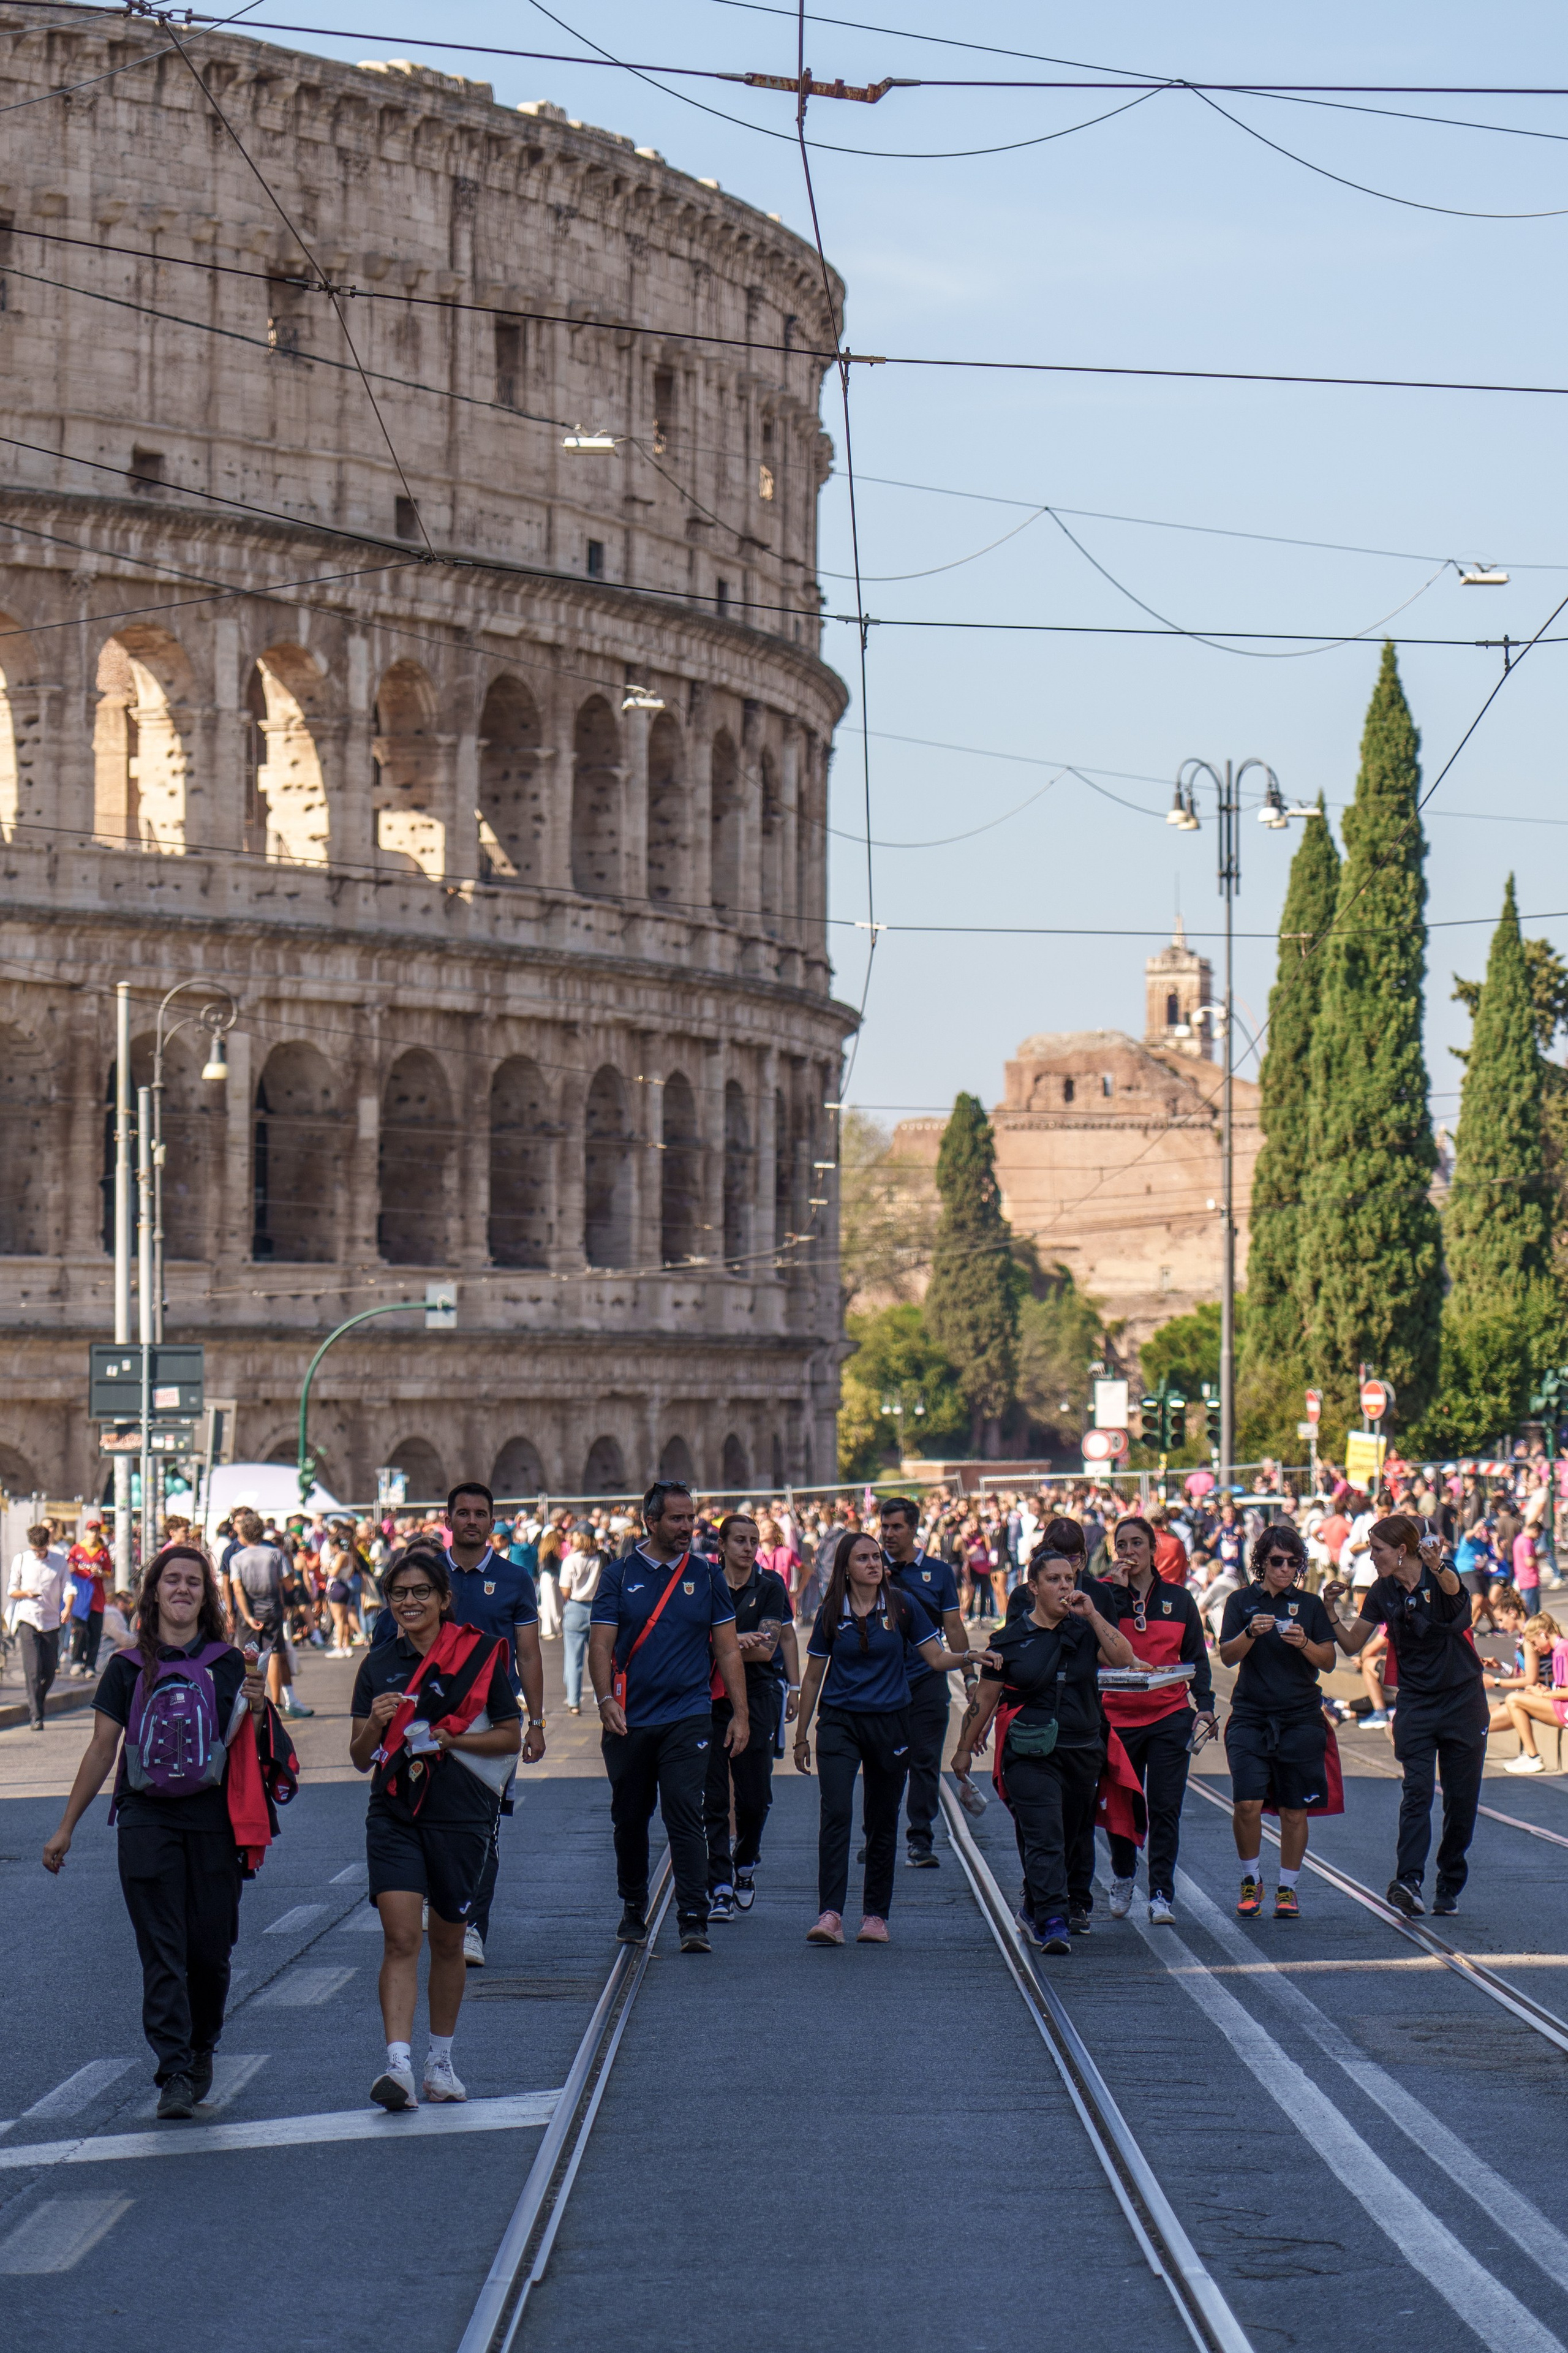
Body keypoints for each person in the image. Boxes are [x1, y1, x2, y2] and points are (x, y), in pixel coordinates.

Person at [42, 1544, 268, 2117]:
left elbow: (255, 1749)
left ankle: (201, 2045)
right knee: (163, 1950)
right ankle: (174, 2070)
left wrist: (261, 1708)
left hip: (214, 1820)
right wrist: (67, 1826)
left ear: (207, 1595)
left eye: (194, 1581)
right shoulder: (126, 1666)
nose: (183, 1588)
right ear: (154, 1592)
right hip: (145, 1818)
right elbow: (102, 1749)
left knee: (210, 1951)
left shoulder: (230, 1663)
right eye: (172, 1579)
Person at [350, 1544, 522, 2110]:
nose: (410, 1602)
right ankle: (397, 2065)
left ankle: (440, 2063)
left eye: (421, 1591)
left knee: (448, 1940)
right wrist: (375, 1725)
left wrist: (455, 1738)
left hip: (461, 1814)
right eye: (399, 1593)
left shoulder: (481, 1654)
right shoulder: (377, 1664)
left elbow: (509, 1735)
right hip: (395, 1811)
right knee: (402, 1937)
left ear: (444, 1598)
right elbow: (359, 1756)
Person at [372, 1481, 546, 1963]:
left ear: (492, 1521)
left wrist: (537, 1721)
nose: (471, 1520)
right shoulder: (425, 1575)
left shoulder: (515, 1579)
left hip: (491, 1720)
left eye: (480, 1513)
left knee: (484, 1826)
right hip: (425, 1718)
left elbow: (529, 1653)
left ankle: (471, 1924)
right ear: (448, 1520)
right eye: (463, 1513)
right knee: (421, 1814)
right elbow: (390, 1642)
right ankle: (436, 1900)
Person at [589, 1480, 750, 1954]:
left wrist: (740, 1713)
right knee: (630, 1817)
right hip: (629, 1718)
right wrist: (604, 1699)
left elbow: (727, 1648)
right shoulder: (618, 1575)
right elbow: (600, 1644)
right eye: (677, 1518)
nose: (687, 1526)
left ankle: (693, 1917)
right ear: (651, 1521)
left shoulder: (708, 1575)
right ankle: (633, 1904)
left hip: (689, 1713)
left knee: (684, 1808)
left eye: (690, 1517)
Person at [793, 1530, 975, 1946]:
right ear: (845, 1568)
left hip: (890, 1721)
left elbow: (935, 1657)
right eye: (863, 1558)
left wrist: (969, 1658)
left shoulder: (902, 1604)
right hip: (839, 1722)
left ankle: (875, 1916)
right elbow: (814, 1676)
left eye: (876, 1556)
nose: (874, 1563)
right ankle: (830, 1914)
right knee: (836, 1813)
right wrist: (801, 1735)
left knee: (881, 1819)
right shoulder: (830, 1611)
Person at [951, 1548, 1135, 1954]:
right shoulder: (1010, 1640)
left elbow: (1124, 1659)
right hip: (1030, 1753)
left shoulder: (1085, 1631)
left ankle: (1034, 1908)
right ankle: (1053, 1920)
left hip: (1082, 1751)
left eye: (1069, 1579)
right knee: (1045, 1835)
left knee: (1068, 1837)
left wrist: (1094, 1615)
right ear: (1033, 1587)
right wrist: (964, 1748)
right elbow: (985, 1697)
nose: (1064, 1586)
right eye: (1054, 1579)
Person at [1324, 1516, 1485, 1915]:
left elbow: (1455, 1591)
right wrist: (1329, 1610)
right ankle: (1409, 1881)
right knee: (1417, 1792)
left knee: (1461, 1801)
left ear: (1401, 1550)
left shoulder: (1440, 1574)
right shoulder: (1382, 1590)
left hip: (1462, 1700)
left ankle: (1449, 1882)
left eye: (1376, 1549)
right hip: (1416, 1702)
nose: (1371, 1556)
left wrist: (1438, 1565)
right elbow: (1352, 1644)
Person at [1100, 1516, 1218, 1925]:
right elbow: (1100, 1641)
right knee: (1123, 1806)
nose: (1129, 1551)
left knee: (1165, 1807)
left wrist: (1205, 1704)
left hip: (1169, 1714)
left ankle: (1162, 1894)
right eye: (1121, 1545)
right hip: (1118, 1715)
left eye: (1137, 1543)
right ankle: (1123, 1874)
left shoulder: (1179, 1599)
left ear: (1154, 1549)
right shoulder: (1103, 1596)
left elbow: (1196, 1657)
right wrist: (1117, 1593)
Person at [1219, 1527, 1338, 1920]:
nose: (1285, 1569)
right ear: (1262, 1562)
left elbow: (1328, 1662)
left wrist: (1305, 1643)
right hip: (1250, 1716)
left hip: (1301, 1718)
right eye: (1277, 1561)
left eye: (1293, 1562)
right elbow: (1227, 1656)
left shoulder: (1309, 1605)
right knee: (1247, 1804)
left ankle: (1287, 1887)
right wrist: (1250, 1634)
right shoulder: (1241, 1601)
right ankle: (1251, 1879)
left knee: (1294, 1810)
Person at [706, 1513, 797, 1920]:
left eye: (753, 1540)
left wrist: (721, 1645)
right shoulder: (706, 1583)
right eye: (739, 1540)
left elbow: (766, 1648)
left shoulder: (770, 1586)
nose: (748, 1547)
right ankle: (720, 1885)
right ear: (722, 1545)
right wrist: (734, 1641)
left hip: (759, 1695)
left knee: (755, 1797)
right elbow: (689, 1640)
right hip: (711, 1697)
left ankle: (745, 1861)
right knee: (713, 1796)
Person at [878, 1495, 971, 1870]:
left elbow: (953, 1626)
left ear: (914, 1528)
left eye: (897, 1527)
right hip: (883, 1681)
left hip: (927, 1678)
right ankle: (878, 1836)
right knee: (884, 1763)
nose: (889, 1534)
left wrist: (969, 1674)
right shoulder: (868, 1568)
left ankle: (920, 1839)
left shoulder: (939, 1572)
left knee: (925, 1760)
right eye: (884, 1527)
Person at [228, 1508, 313, 1720]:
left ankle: (247, 1701)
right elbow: (289, 1584)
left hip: (249, 1612)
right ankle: (276, 1702)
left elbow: (237, 1589)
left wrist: (247, 1615)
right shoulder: (275, 1554)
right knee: (273, 1654)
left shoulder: (237, 1558)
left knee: (247, 1656)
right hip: (272, 1609)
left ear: (243, 1533)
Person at [7, 1521, 69, 1729]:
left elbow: (69, 1587)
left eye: (42, 1550)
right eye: (35, 1550)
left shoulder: (59, 1561)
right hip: (28, 1619)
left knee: (49, 1671)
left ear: (48, 1544)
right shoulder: (22, 1559)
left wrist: (68, 1607)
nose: (39, 1554)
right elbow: (11, 1590)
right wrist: (26, 1593)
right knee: (33, 1670)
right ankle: (36, 1716)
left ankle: (37, 1700)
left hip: (51, 1621)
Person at [1497, 1611, 1568, 1775]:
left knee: (1514, 1699)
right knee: (1522, 1697)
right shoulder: (1561, 1647)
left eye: (1535, 1643)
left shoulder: (1561, 1650)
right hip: (1563, 1708)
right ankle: (1530, 1755)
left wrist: (1543, 1695)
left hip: (1565, 1711)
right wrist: (1546, 1691)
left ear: (1543, 1634)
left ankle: (1532, 1756)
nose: (1536, 1648)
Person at [559, 1526, 603, 1714]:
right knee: (599, 1655)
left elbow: (565, 1590)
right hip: (597, 1608)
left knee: (573, 1659)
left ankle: (574, 1702)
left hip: (576, 1607)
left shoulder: (571, 1560)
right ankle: (600, 1697)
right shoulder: (600, 1558)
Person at [65, 1514, 111, 1678]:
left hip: (97, 1598)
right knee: (80, 1630)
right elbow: (67, 1567)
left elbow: (109, 1573)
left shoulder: (103, 1551)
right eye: (91, 1531)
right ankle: (77, 1661)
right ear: (85, 1532)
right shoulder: (76, 1549)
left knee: (95, 1633)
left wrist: (100, 1573)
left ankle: (90, 1665)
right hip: (80, 1597)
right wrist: (70, 1569)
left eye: (96, 1531)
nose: (94, 1534)